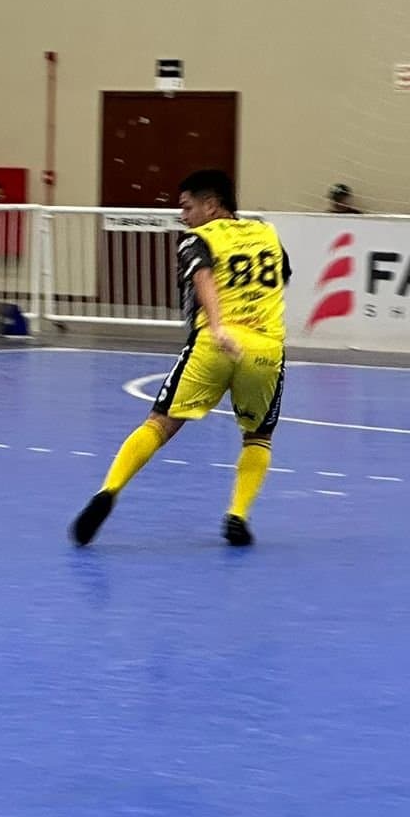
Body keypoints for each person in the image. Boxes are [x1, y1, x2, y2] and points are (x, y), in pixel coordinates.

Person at [70, 170, 290, 549]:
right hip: (266, 349)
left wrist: (220, 326)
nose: (183, 216)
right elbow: (282, 275)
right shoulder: (267, 233)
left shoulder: (198, 238)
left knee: (160, 423)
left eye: (187, 207)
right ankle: (237, 516)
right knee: (258, 435)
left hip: (216, 343)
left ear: (211, 204)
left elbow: (202, 274)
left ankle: (108, 491)